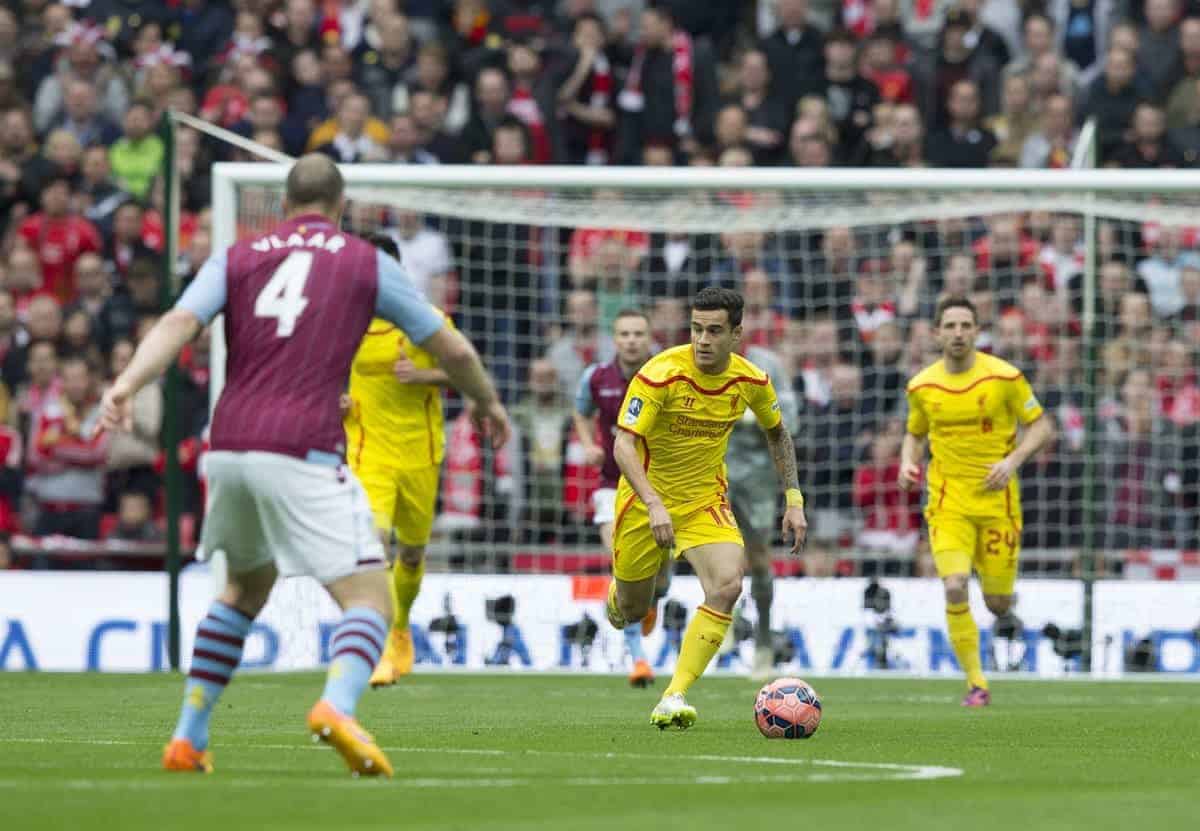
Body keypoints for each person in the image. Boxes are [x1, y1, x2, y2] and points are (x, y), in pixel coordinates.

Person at [99, 154, 510, 777]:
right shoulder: (363, 260)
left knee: (243, 589)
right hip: (304, 445)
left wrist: (126, 383)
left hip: (229, 445)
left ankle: (189, 736)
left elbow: (181, 321)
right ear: (340, 204)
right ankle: (337, 706)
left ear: (284, 202)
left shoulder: (236, 256)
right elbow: (448, 345)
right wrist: (485, 400)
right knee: (370, 597)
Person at [608, 287, 807, 730]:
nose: (702, 339)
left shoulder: (752, 380)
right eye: (696, 329)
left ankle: (673, 693)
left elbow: (779, 434)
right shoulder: (660, 372)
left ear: (736, 334)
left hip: (703, 500)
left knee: (728, 583)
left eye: (714, 331)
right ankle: (621, 599)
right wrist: (654, 502)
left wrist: (794, 498)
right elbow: (623, 444)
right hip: (646, 501)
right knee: (631, 609)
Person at [899, 297, 1053, 707]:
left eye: (966, 325)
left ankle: (1004, 607)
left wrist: (1013, 460)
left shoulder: (1004, 378)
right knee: (953, 585)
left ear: (977, 331)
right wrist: (905, 463)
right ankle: (976, 683)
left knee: (997, 601)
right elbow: (914, 433)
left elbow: (1041, 426)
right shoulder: (922, 386)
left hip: (999, 504)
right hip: (948, 503)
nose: (958, 333)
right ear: (936, 333)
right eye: (949, 325)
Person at [337, 233, 457, 688]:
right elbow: (319, 374)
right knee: (374, 544)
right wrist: (336, 401)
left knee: (411, 552)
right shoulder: (339, 321)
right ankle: (382, 645)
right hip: (366, 453)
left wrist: (423, 374)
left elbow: (466, 369)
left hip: (421, 454)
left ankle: (401, 626)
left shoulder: (426, 320)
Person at [572, 308, 662, 688]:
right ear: (614, 338)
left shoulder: (663, 374)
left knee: (661, 570)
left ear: (648, 337)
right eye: (624, 333)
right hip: (612, 484)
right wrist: (589, 443)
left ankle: (653, 599)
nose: (631, 340)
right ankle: (638, 660)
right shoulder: (595, 377)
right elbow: (580, 411)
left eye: (638, 333)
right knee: (620, 560)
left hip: (659, 486)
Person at [724, 342, 799, 680]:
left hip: (758, 478)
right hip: (716, 471)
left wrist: (749, 415)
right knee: (719, 549)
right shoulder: (697, 367)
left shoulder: (766, 365)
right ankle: (725, 616)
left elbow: (790, 422)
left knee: (758, 557)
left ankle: (763, 641)